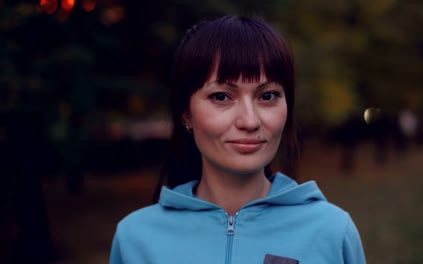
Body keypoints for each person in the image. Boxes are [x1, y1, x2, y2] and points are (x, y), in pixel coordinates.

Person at [110, 15, 366, 264]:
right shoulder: (136, 239)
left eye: (267, 96)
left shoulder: (331, 232)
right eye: (221, 97)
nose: (250, 121)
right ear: (186, 113)